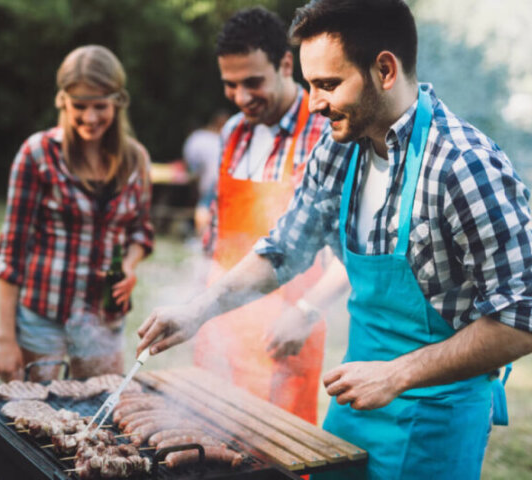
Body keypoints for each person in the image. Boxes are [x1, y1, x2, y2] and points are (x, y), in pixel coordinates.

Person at [136, 1, 532, 478]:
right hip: (355, 398)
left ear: (384, 69)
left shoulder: (463, 166)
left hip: (435, 418)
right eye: (309, 85)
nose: (314, 103)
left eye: (327, 85)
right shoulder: (339, 147)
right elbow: (285, 249)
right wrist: (198, 310)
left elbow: (520, 317)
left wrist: (398, 373)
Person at [191, 6, 335, 424]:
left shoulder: (323, 132)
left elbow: (346, 250)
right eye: (230, 85)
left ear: (286, 64)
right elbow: (217, 229)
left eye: (252, 82)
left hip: (284, 335)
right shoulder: (232, 132)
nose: (240, 97)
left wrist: (307, 310)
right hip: (220, 331)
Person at [0, 45, 153, 382]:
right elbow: (12, 251)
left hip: (103, 320)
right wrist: (6, 339)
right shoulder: (36, 154)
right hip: (42, 317)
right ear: (62, 100)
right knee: (37, 419)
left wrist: (129, 266)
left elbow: (141, 231)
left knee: (99, 416)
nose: (90, 117)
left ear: (118, 102)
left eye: (100, 106)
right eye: (79, 106)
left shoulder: (136, 159)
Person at [182, 110, 229, 236]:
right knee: (209, 209)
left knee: (204, 207)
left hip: (210, 180)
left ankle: (201, 238)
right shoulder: (222, 139)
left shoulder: (198, 137)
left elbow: (191, 162)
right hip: (221, 179)